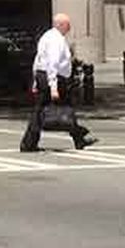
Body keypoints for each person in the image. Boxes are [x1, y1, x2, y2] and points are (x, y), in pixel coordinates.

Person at [21, 14, 94, 153]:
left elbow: (38, 60)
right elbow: (52, 64)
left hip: (44, 76)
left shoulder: (47, 36)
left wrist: (36, 80)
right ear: (61, 25)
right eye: (68, 25)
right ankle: (78, 136)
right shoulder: (56, 40)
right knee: (55, 109)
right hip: (53, 78)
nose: (69, 28)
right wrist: (53, 86)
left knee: (51, 109)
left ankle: (78, 137)